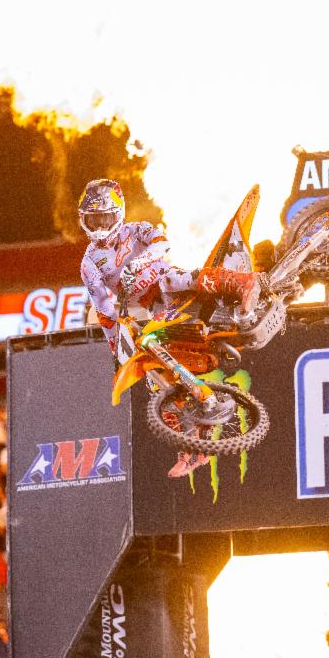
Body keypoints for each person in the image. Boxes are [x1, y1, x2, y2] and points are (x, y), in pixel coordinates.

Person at [76, 178, 260, 477]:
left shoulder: (137, 230)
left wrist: (140, 262)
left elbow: (163, 243)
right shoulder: (89, 263)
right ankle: (191, 448)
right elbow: (104, 310)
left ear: (118, 214)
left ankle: (241, 283)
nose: (99, 226)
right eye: (93, 220)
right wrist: (117, 350)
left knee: (175, 278)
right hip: (156, 308)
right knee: (155, 377)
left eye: (104, 218)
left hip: (171, 284)